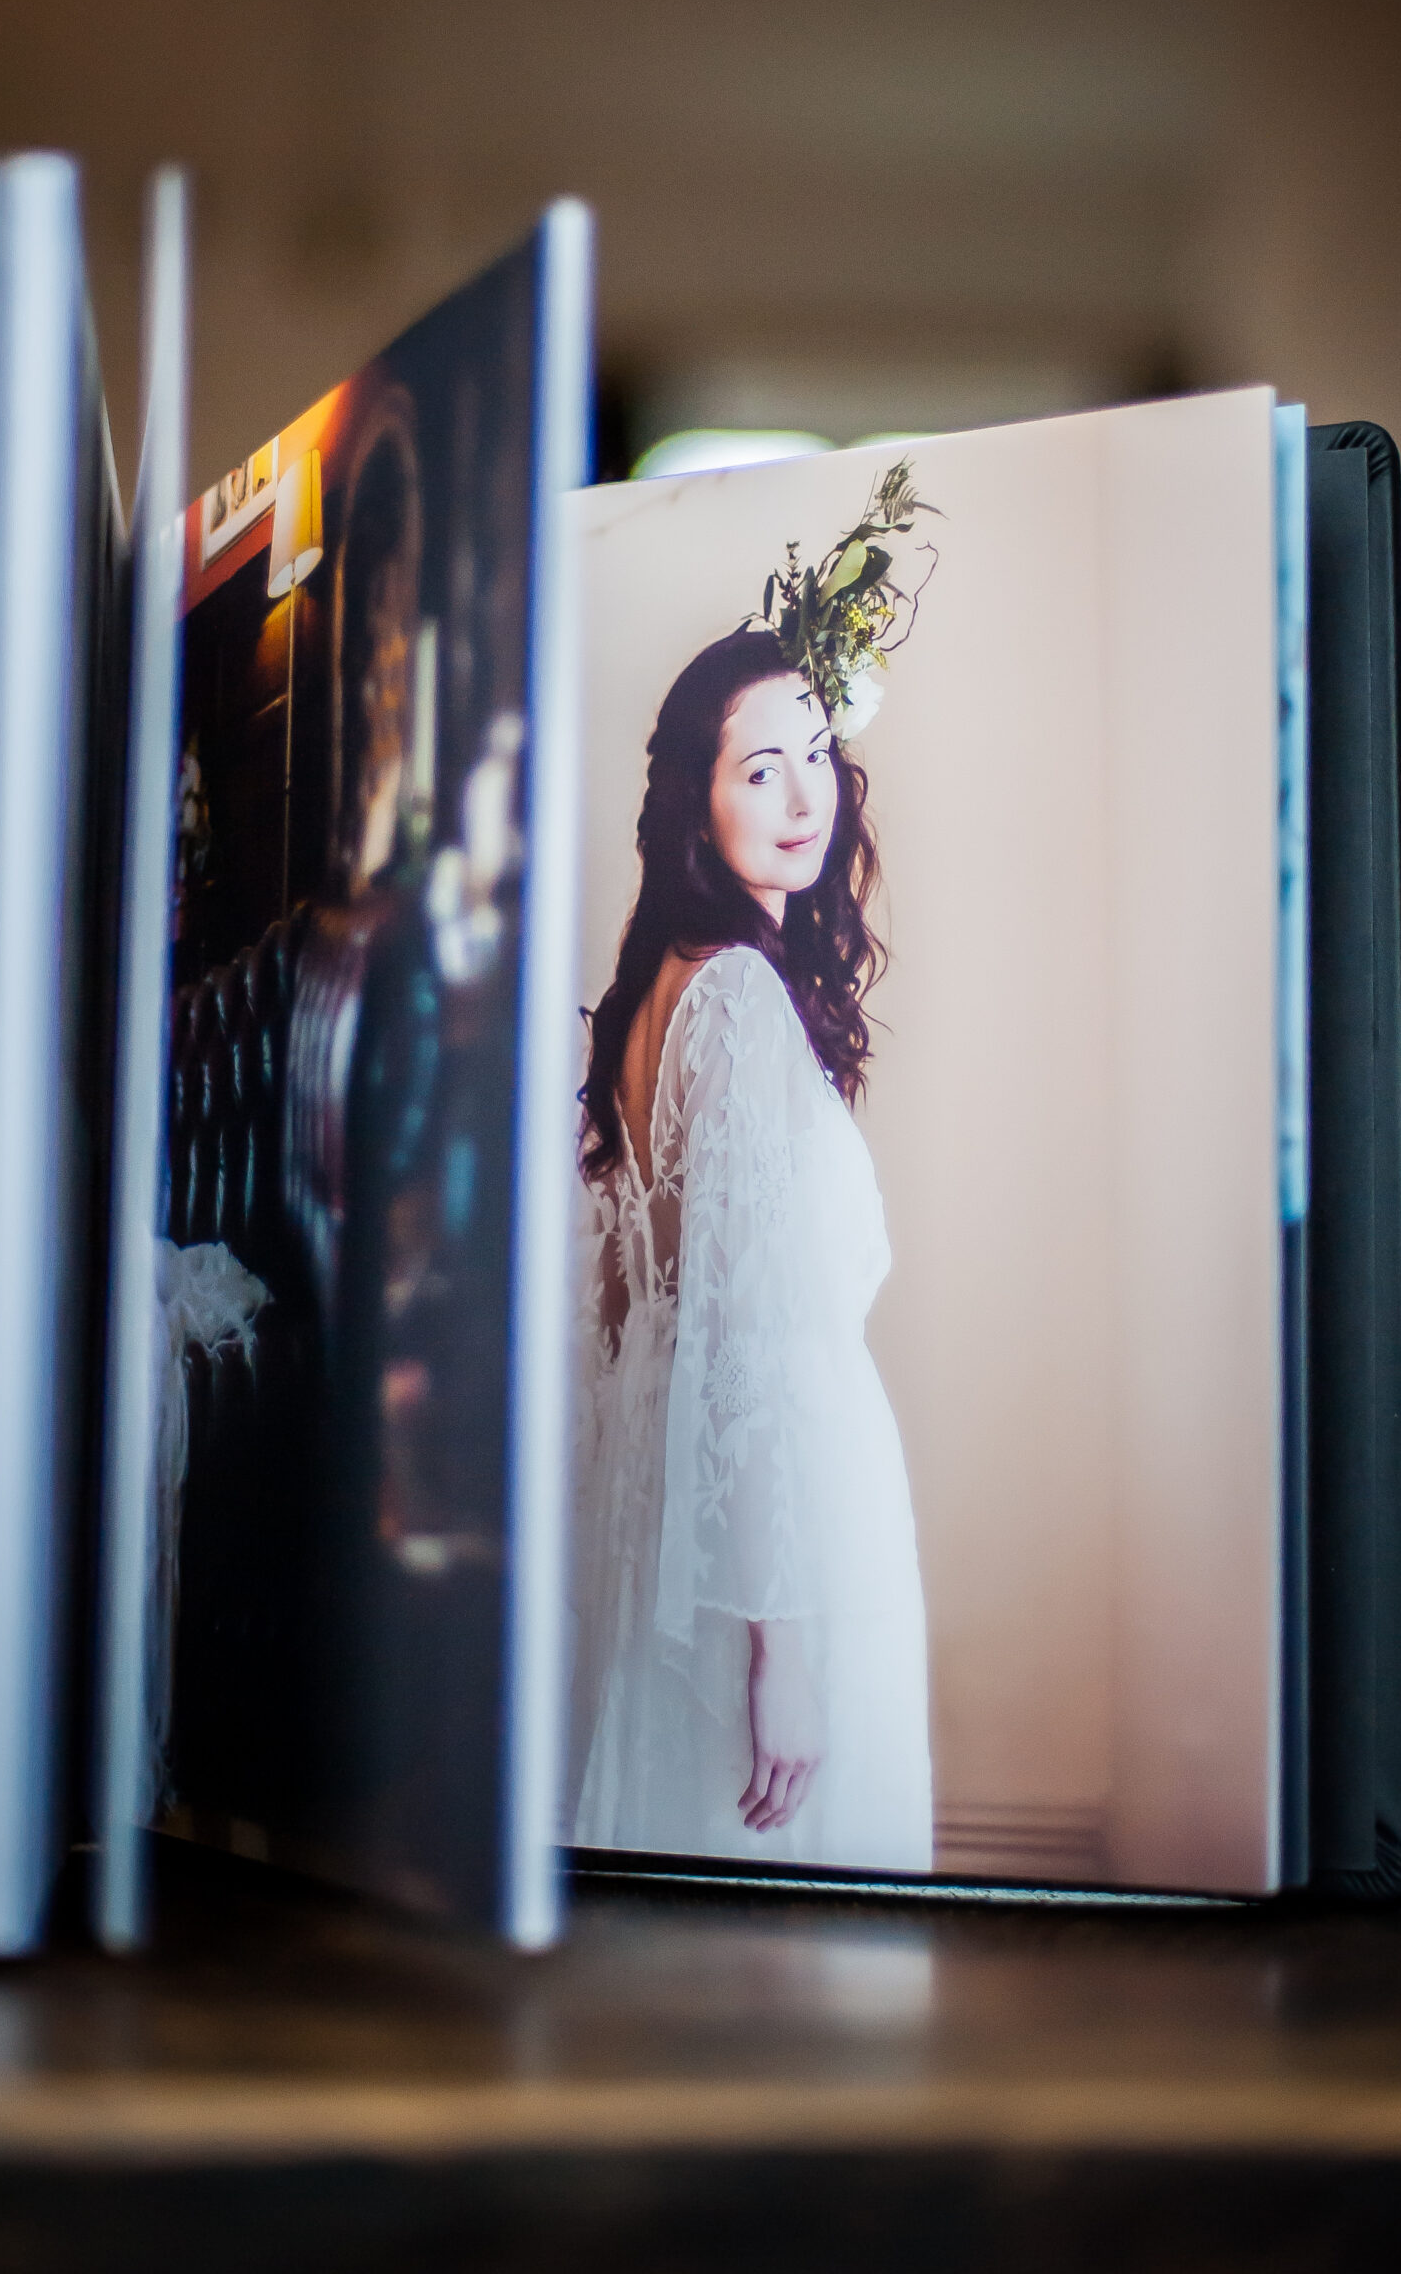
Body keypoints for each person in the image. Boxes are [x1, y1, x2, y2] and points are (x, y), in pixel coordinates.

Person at [568, 623, 933, 1870]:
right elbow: (745, 1330)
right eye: (758, 766)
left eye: (818, 754)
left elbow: (632, 1319)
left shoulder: (659, 988)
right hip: (772, 1544)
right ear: (694, 799)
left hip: (695, 1512)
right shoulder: (733, 997)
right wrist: (783, 1649)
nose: (803, 795)